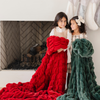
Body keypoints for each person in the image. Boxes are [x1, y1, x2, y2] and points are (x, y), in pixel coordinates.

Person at [0, 12, 71, 100]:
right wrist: (56, 47)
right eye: (61, 21)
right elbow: (50, 42)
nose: (63, 23)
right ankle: (50, 85)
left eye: (65, 21)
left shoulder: (67, 31)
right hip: (53, 54)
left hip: (62, 56)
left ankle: (58, 88)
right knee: (52, 71)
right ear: (57, 21)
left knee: (60, 72)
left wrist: (60, 48)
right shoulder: (54, 30)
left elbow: (68, 43)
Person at [57, 16, 100, 100]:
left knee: (78, 73)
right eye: (71, 24)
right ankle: (71, 88)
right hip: (71, 57)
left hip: (79, 59)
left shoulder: (83, 35)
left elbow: (85, 47)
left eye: (73, 24)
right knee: (70, 73)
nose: (71, 25)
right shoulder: (70, 33)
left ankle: (80, 88)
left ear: (78, 24)